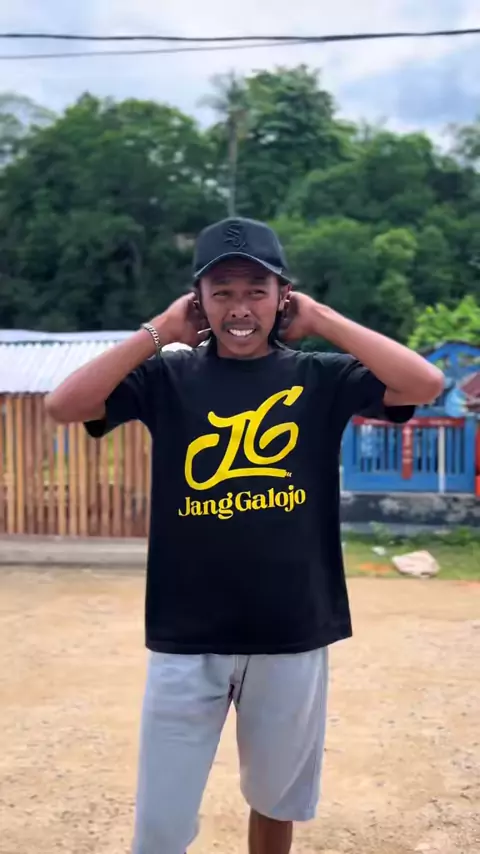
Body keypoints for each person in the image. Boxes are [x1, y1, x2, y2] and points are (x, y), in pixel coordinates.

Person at [45, 216, 444, 854]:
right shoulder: (168, 378)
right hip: (186, 634)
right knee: (161, 822)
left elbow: (424, 383)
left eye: (257, 290)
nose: (239, 307)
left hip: (292, 629)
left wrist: (322, 319)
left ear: (283, 296)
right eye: (222, 291)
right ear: (197, 300)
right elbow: (63, 405)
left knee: (275, 800)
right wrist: (160, 331)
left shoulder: (319, 376)